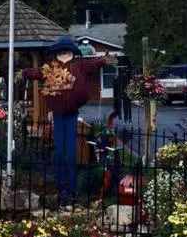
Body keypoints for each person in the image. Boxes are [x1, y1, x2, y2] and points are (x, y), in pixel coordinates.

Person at [17, 37, 115, 204]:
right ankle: (61, 188)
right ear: (56, 54)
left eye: (67, 52)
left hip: (71, 114)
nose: (64, 55)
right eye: (61, 52)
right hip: (57, 115)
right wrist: (24, 73)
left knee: (70, 153)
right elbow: (37, 72)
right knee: (60, 153)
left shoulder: (79, 66)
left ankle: (72, 189)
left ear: (72, 53)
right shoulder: (50, 69)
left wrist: (104, 60)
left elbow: (93, 64)